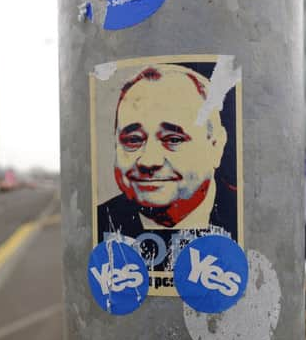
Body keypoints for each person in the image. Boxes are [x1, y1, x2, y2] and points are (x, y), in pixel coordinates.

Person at [97, 64, 238, 250]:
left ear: (215, 146)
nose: (149, 161)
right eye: (133, 140)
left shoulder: (248, 216)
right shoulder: (97, 222)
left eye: (173, 139)